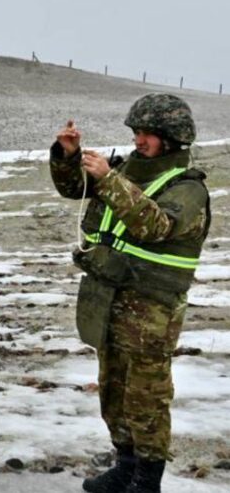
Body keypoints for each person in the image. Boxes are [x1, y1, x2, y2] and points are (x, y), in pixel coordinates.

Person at [51, 94, 210, 493]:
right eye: (136, 132)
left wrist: (109, 179)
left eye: (148, 134)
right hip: (110, 297)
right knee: (113, 391)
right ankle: (125, 467)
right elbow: (75, 189)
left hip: (152, 309)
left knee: (146, 399)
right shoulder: (125, 171)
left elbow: (154, 226)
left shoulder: (187, 188)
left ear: (172, 137)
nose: (139, 140)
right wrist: (68, 156)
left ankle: (147, 481)